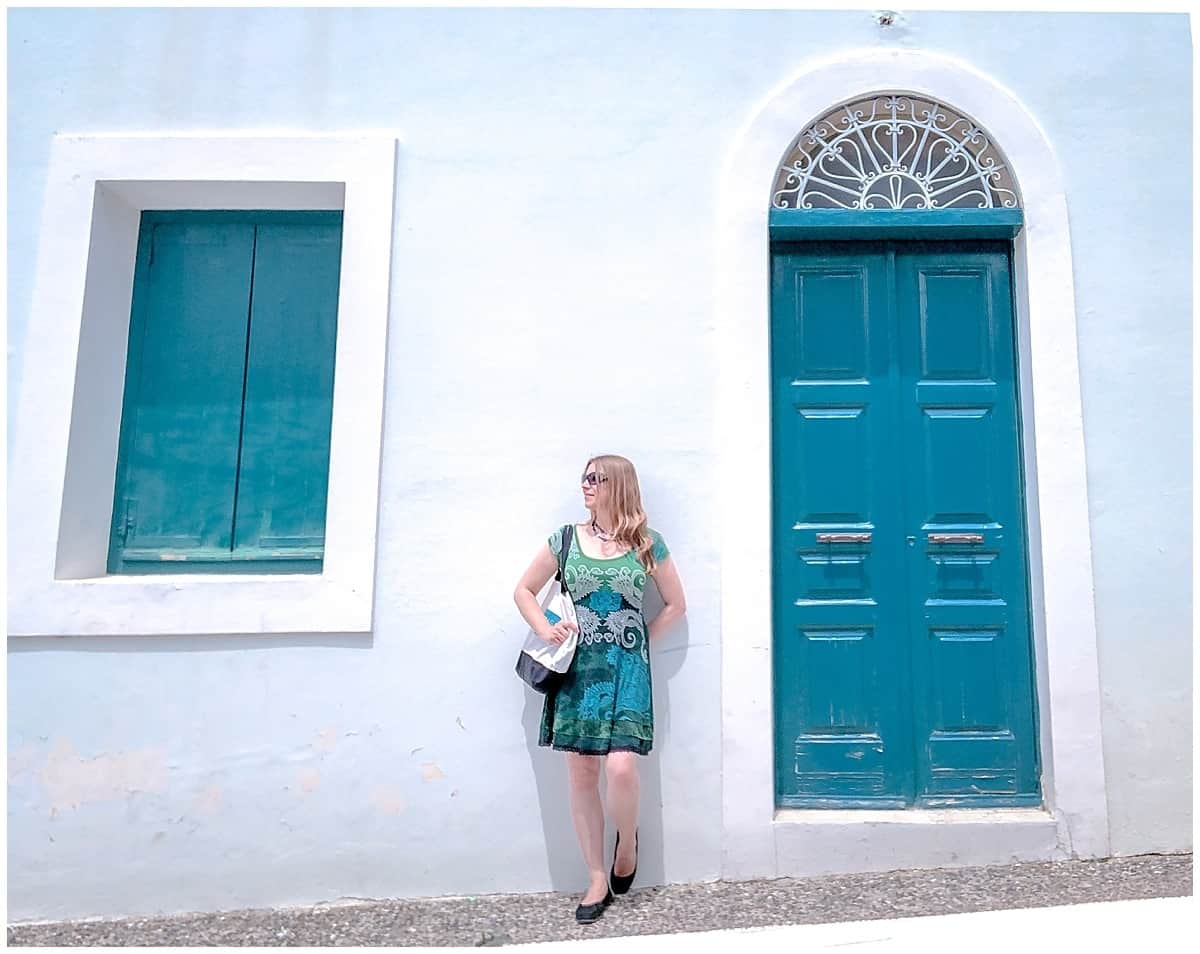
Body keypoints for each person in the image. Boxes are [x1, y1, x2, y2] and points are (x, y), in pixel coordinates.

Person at [514, 454, 687, 924]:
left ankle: (627, 842)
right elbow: (524, 591)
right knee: (582, 774)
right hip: (577, 670)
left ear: (619, 485)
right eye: (584, 478)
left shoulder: (647, 543)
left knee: (622, 768)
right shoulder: (565, 540)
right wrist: (546, 628)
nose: (586, 485)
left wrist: (639, 643)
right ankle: (595, 877)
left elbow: (676, 604)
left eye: (596, 478)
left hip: (627, 672)